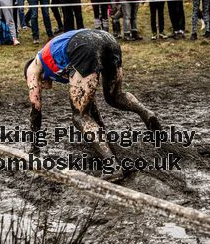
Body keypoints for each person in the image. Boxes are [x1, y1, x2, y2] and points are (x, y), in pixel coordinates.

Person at [24, 29, 161, 182]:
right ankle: (146, 113)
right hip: (108, 40)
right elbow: (89, 102)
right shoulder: (57, 61)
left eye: (40, 85)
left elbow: (35, 110)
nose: (41, 87)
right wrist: (103, 135)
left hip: (84, 45)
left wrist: (34, 150)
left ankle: (112, 166)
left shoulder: (32, 69)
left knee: (79, 117)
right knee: (115, 96)